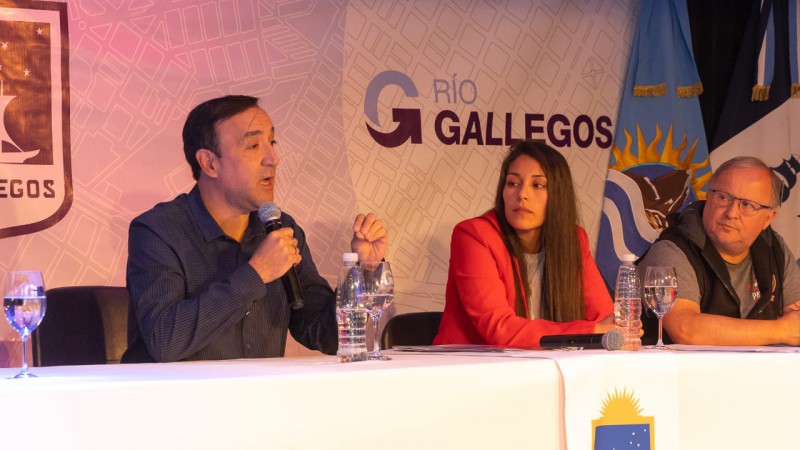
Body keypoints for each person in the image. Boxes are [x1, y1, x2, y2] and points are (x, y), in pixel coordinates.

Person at [122, 95, 388, 362]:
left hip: (261, 400)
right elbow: (166, 340)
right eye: (253, 146)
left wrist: (364, 271)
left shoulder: (280, 229)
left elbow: (328, 336)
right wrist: (257, 272)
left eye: (272, 143)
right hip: (175, 400)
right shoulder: (158, 231)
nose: (273, 159)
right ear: (209, 163)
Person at [433, 140, 615, 349]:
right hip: (470, 370)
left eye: (537, 185)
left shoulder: (573, 240)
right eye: (513, 183)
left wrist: (616, 329)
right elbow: (499, 329)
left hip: (544, 367)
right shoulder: (474, 236)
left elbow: (605, 318)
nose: (522, 195)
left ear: (558, 195)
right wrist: (589, 331)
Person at [637, 156, 800, 346]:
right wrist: (781, 331)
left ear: (767, 219)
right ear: (708, 197)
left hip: (757, 373)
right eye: (723, 197)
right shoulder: (671, 250)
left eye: (746, 205)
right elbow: (686, 330)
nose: (731, 213)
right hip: (682, 374)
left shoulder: (774, 248)